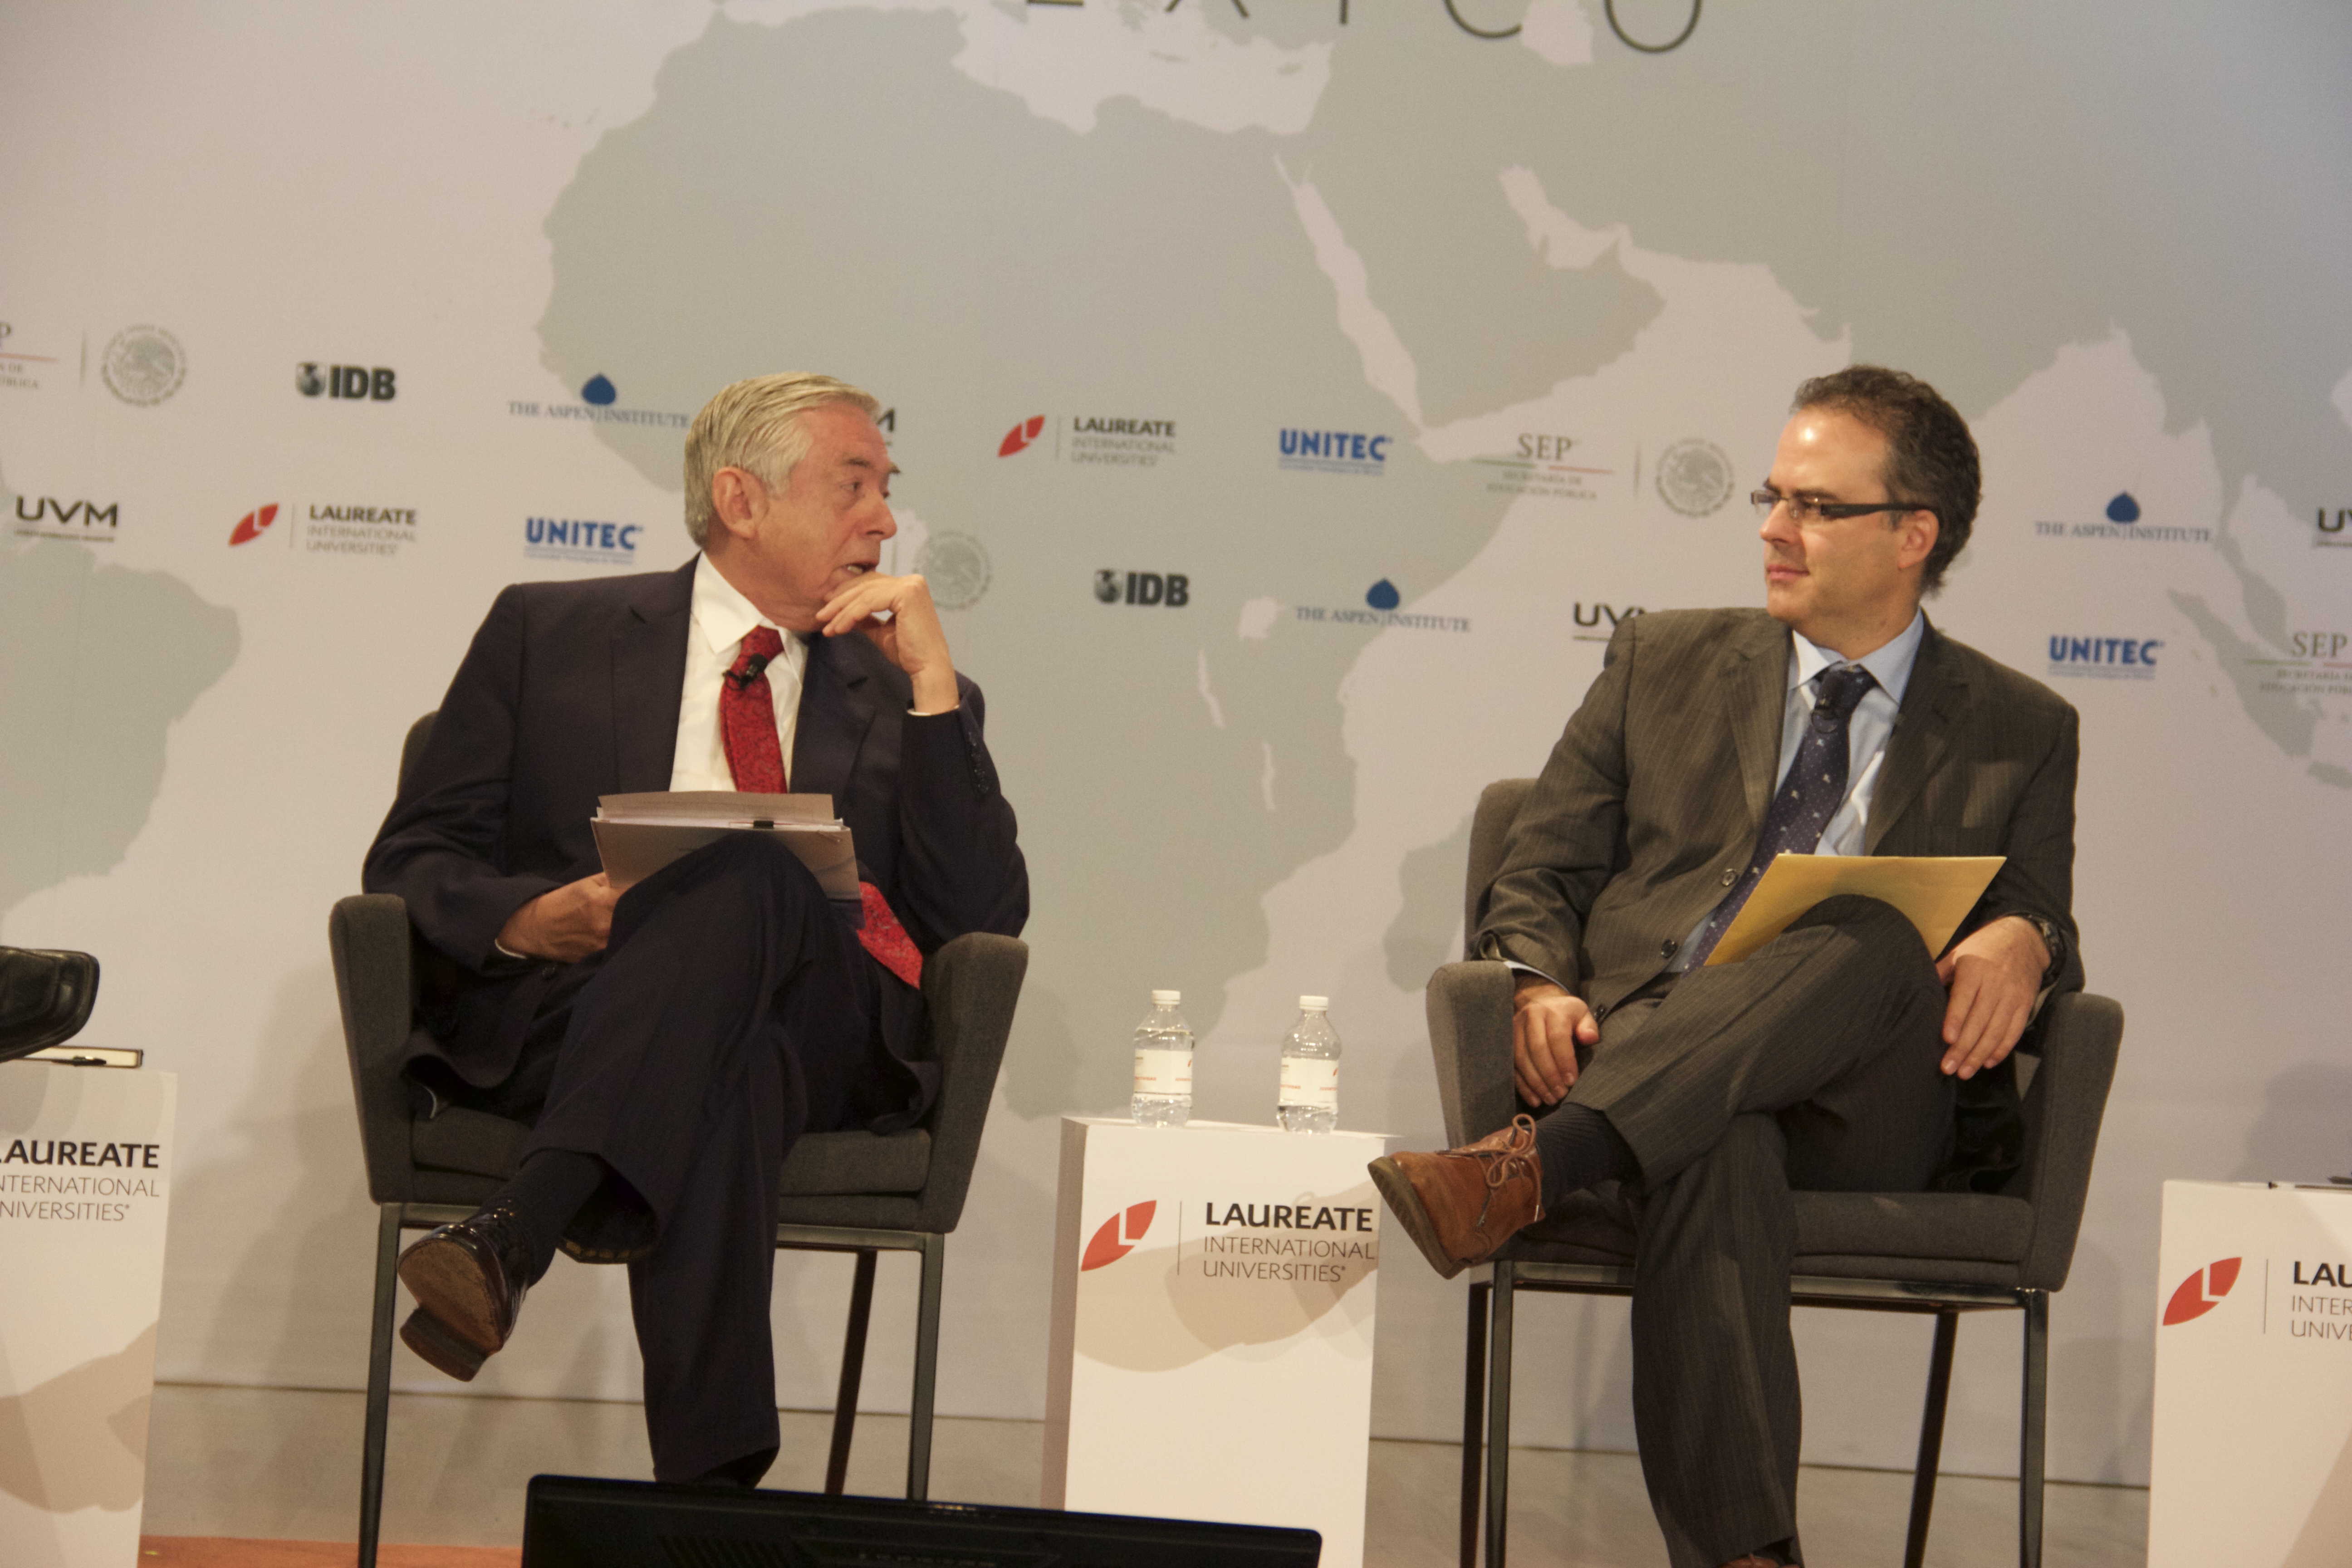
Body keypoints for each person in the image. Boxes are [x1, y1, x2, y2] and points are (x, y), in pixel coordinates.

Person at [1370, 366, 2079, 1568]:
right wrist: (1537, 981)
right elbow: (1537, 871)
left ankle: (1541, 1164)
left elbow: (2042, 911)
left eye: (1816, 505)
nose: (1774, 528)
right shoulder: (1662, 659)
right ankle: (1751, 1558)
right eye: (1772, 497)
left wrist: (2031, 937)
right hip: (1662, 1060)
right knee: (1719, 1136)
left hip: (1866, 1104)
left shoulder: (2023, 726)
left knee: (1871, 931)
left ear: (1914, 535)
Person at [365, 373, 1027, 1487]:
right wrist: (531, 919)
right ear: (741, 500)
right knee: (734, 1066)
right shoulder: (546, 633)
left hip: (832, 1029)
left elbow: (979, 921)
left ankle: (519, 1227)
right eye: (853, 485)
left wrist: (933, 689)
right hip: (583, 1013)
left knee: (758, 864)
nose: (885, 520)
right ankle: (712, 1503)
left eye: (886, 488)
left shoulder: (907, 690)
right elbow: (415, 858)